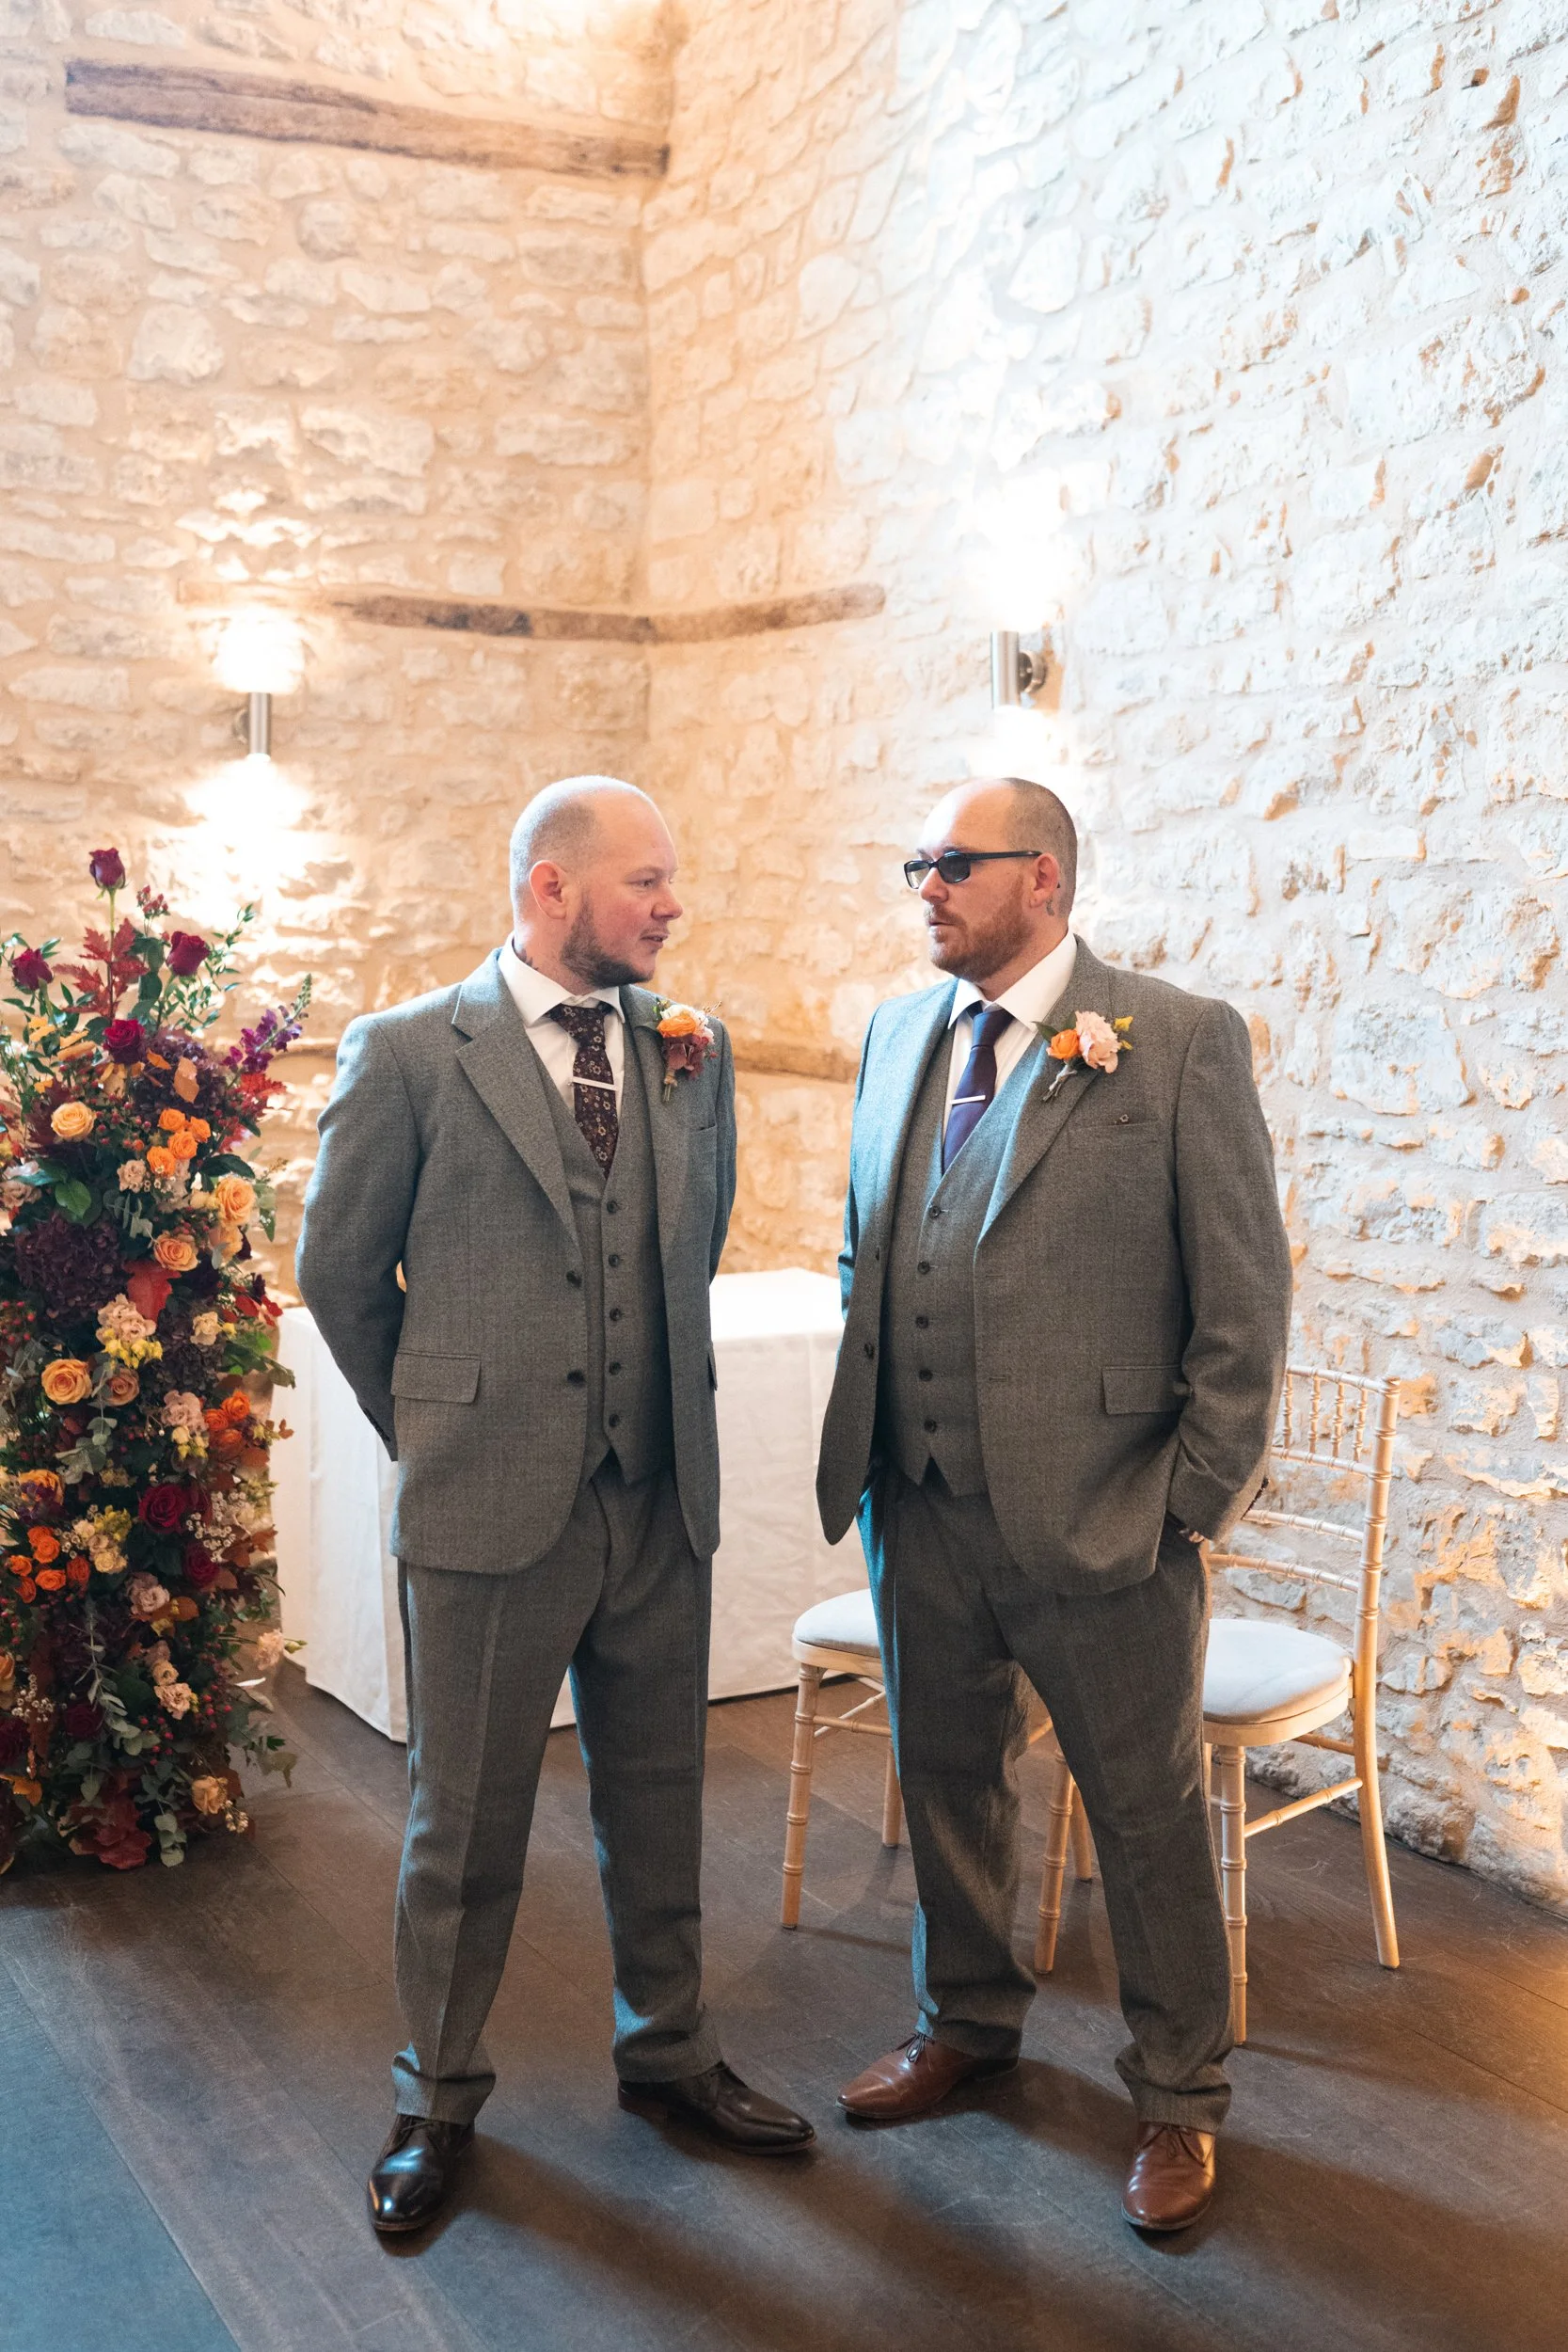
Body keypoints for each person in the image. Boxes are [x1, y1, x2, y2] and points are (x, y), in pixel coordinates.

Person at [298, 775, 814, 2238]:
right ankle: (437, 2094)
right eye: (646, 881)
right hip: (485, 1504)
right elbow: (341, 1274)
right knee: (461, 1824)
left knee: (660, 1800)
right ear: (551, 889)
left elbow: (689, 1242)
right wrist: (440, 1424)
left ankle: (668, 2056)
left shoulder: (685, 1053)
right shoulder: (407, 1054)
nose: (671, 906)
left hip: (655, 1494)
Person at [815, 775, 1291, 2232]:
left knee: (1143, 1815)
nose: (928, 885)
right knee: (947, 1780)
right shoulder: (900, 1033)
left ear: (1047, 880)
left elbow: (1242, 1304)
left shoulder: (1176, 1041)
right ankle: (965, 2022)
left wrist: (1186, 1510)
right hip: (923, 1503)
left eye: (955, 864)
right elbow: (865, 1251)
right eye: (919, 863)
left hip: (1105, 1522)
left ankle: (1174, 2097)